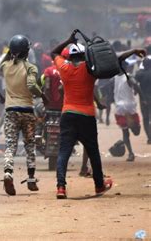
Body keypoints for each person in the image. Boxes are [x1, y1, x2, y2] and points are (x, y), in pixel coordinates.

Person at [51, 30, 144, 199]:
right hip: (86, 115)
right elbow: (114, 61)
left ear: (70, 57)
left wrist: (68, 40)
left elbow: (54, 52)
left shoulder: (63, 67)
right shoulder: (90, 70)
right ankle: (99, 185)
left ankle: (61, 187)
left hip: (68, 114)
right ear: (85, 56)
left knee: (64, 151)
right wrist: (133, 51)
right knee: (92, 151)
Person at [0, 35, 45, 196]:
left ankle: (8, 173)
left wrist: (12, 52)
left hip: (10, 111)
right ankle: (31, 178)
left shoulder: (5, 66)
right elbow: (32, 85)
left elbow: (3, 60)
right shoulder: (31, 67)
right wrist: (43, 96)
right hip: (27, 110)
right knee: (29, 145)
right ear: (27, 51)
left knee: (10, 145)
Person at [113, 61, 142, 162]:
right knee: (132, 132)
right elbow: (136, 86)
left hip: (121, 108)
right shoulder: (127, 76)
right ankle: (130, 153)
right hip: (128, 107)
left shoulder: (115, 78)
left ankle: (130, 153)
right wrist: (141, 96)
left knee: (128, 133)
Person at [135, 58, 151, 144]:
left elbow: (134, 83)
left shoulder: (140, 74)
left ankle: (149, 137)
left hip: (144, 99)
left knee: (145, 118)